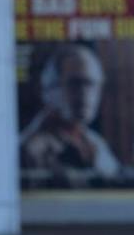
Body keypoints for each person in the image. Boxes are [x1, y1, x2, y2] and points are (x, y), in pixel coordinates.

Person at [19, 44, 120, 183]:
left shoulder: (96, 144)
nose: (84, 94)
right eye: (75, 83)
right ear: (49, 90)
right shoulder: (32, 149)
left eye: (91, 84)